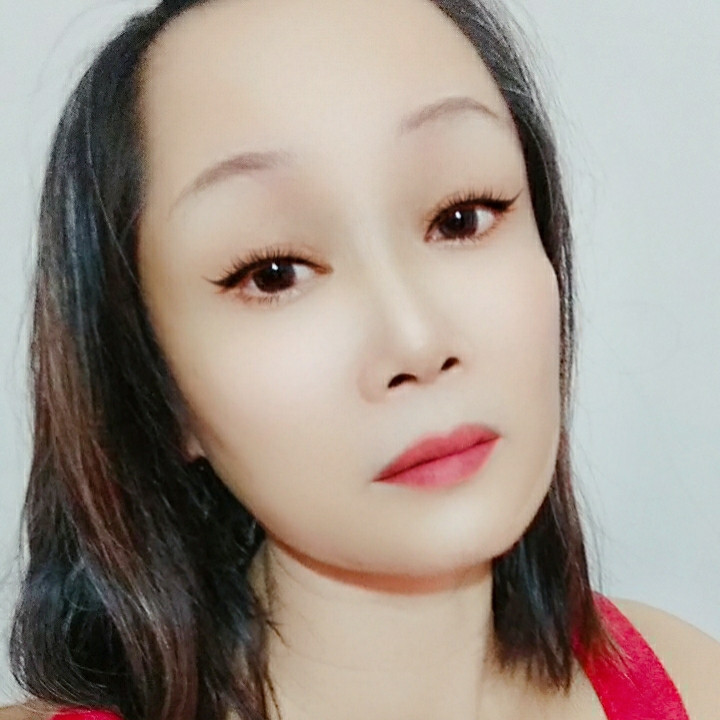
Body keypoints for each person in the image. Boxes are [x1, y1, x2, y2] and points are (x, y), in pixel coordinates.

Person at [1, 0, 719, 719]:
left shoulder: (690, 684)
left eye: (462, 217)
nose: (418, 342)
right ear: (157, 388)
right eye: (274, 274)